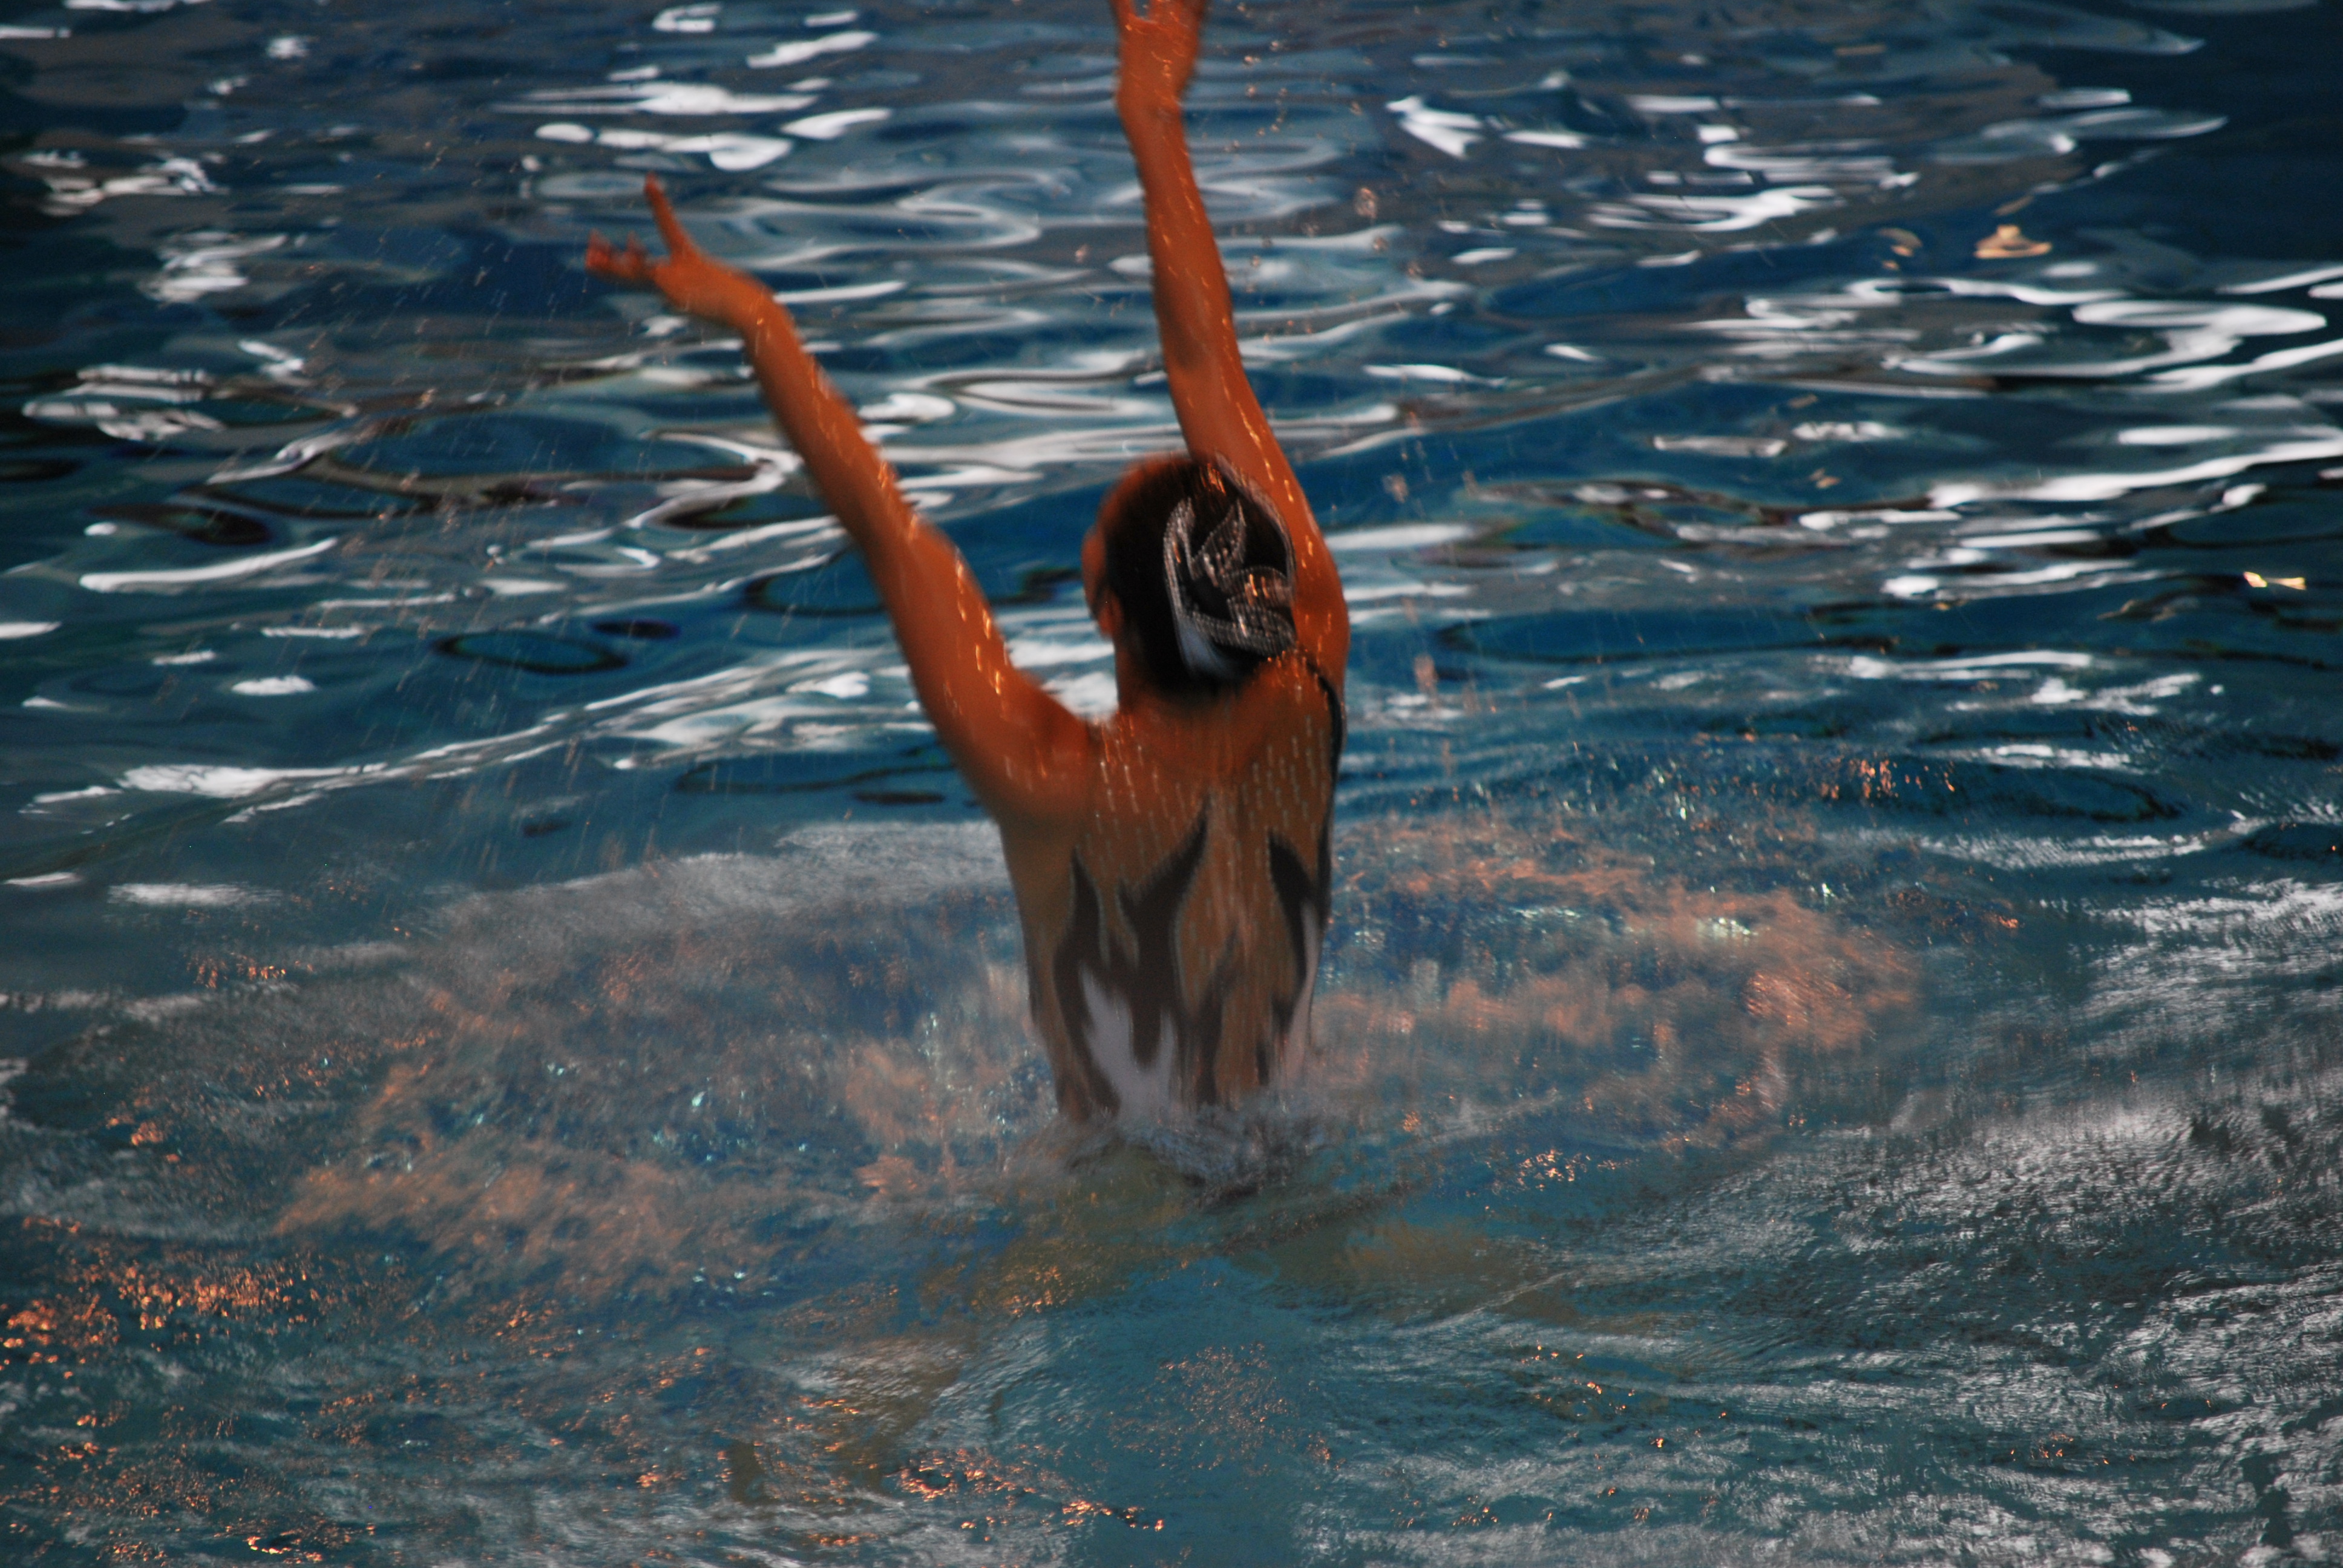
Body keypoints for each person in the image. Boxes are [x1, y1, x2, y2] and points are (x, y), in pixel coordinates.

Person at [586, 0, 1346, 1121]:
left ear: (1108, 613)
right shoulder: (1311, 673)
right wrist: (1154, 116)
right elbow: (1208, 369)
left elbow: (887, 528)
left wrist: (757, 320)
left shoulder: (1050, 779)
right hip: (1297, 1164)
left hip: (1119, 1199)